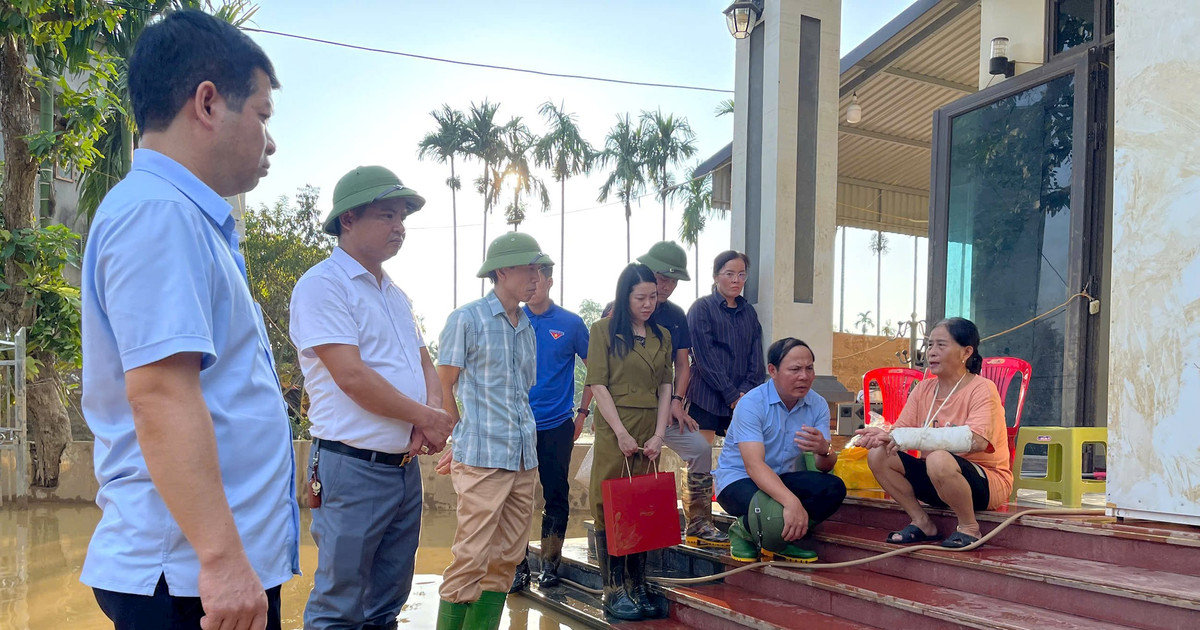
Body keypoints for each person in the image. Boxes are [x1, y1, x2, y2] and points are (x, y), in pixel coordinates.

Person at [80, 11, 297, 630]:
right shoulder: (158, 214)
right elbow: (161, 394)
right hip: (188, 578)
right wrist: (223, 560)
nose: (270, 141)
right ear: (207, 102)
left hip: (201, 571)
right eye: (261, 115)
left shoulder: (184, 218)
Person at [289, 166, 454, 629]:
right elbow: (352, 376)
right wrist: (426, 415)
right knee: (339, 603)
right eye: (387, 215)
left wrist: (429, 418)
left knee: (389, 599)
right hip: (351, 468)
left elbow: (425, 362)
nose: (399, 226)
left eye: (402, 217)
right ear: (348, 220)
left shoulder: (395, 294)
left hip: (402, 471)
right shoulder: (323, 285)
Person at [435, 233, 551, 630]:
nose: (537, 276)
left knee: (506, 558)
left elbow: (523, 391)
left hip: (523, 459)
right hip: (483, 458)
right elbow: (443, 384)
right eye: (529, 268)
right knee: (471, 558)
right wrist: (457, 438)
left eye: (539, 269)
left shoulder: (526, 327)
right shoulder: (467, 320)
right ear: (502, 271)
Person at [856, 317, 1012, 549]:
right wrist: (882, 434)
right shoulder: (924, 388)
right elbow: (900, 433)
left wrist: (903, 436)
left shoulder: (982, 388)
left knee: (938, 457)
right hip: (937, 477)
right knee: (879, 454)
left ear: (966, 352)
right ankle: (922, 522)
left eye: (941, 345)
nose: (932, 352)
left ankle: (969, 527)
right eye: (929, 345)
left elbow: (976, 441)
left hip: (986, 483)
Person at [585, 263, 674, 621]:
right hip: (613, 428)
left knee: (643, 504)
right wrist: (621, 432)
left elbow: (666, 386)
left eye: (653, 296)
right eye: (641, 297)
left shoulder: (662, 335)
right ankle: (613, 589)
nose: (648, 304)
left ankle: (638, 584)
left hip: (649, 427)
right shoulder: (603, 330)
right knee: (609, 503)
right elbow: (598, 384)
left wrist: (659, 434)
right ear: (625, 297)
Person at [714, 338, 847, 563]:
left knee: (833, 488)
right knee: (775, 506)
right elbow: (754, 466)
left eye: (809, 368)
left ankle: (771, 537)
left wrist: (825, 450)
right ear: (773, 371)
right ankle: (747, 532)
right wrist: (792, 502)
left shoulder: (818, 405)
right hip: (740, 481)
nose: (804, 376)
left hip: (784, 479)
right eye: (795, 369)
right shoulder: (752, 404)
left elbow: (822, 467)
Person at [636, 241, 729, 548]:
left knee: (700, 449)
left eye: (673, 280)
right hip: (629, 409)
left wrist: (677, 401)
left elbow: (683, 364)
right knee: (639, 463)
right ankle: (627, 528)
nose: (667, 286)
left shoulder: (676, 316)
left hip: (665, 407)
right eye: (662, 277)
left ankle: (699, 522)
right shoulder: (621, 309)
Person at [510, 265, 593, 591]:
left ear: (549, 280)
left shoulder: (570, 324)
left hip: (557, 426)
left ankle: (549, 565)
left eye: (537, 278)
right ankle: (518, 567)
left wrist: (583, 413)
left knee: (556, 495)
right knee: (514, 498)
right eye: (526, 278)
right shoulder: (512, 319)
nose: (531, 284)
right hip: (516, 425)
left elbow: (596, 371)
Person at [687, 251, 766, 442]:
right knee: (701, 461)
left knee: (744, 458)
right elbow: (705, 357)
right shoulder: (701, 308)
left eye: (741, 274)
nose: (736, 280)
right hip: (706, 397)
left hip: (743, 399)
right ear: (716, 277)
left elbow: (756, 357)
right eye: (729, 274)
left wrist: (744, 394)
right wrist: (730, 394)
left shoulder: (749, 313)